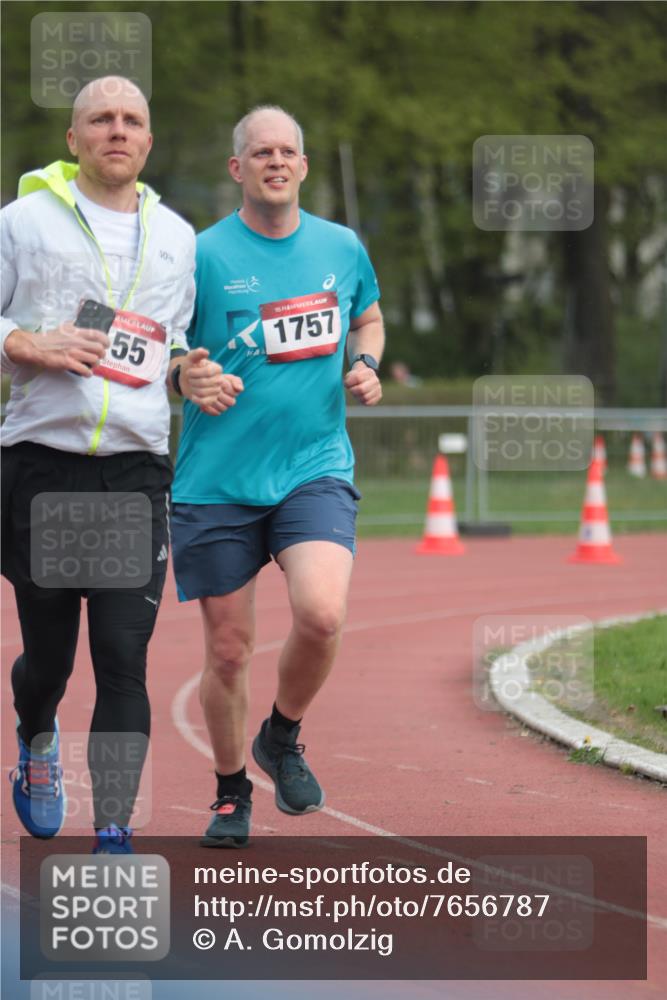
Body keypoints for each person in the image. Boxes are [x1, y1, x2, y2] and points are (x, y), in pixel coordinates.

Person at [1, 76, 228, 853]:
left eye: (132, 120)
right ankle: (35, 737)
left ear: (149, 141)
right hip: (46, 466)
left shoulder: (176, 236)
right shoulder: (24, 222)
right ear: (74, 139)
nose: (116, 131)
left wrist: (184, 376)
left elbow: (164, 348)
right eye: (100, 119)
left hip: (134, 471)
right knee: (53, 660)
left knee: (124, 657)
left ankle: (112, 830)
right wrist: (25, 342)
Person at [171, 105, 385, 848]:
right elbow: (155, 347)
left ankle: (282, 736)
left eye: (286, 151)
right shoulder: (197, 255)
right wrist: (183, 375)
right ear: (237, 169)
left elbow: (368, 318)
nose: (274, 161)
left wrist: (365, 362)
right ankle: (231, 794)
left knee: (322, 613)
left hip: (312, 467)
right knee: (228, 650)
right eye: (259, 152)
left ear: (302, 165)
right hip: (217, 480)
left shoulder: (340, 245)